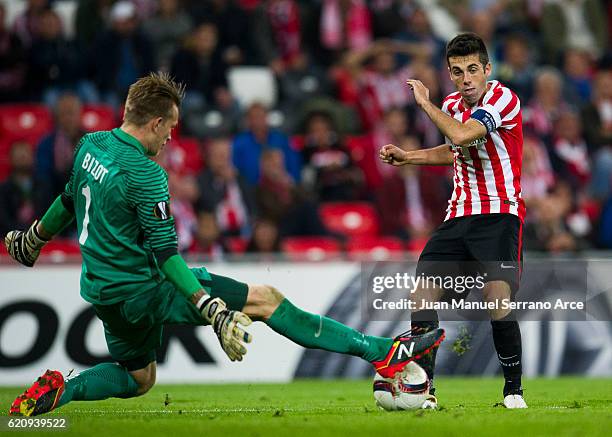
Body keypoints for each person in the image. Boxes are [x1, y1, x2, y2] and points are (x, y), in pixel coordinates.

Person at [4, 72, 444, 417]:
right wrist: (208, 305)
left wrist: (34, 239)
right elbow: (166, 256)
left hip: (102, 293)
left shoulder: (90, 146)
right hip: (146, 290)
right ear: (155, 122)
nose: (171, 138)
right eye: (170, 128)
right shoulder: (145, 174)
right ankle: (380, 352)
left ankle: (62, 388)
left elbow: (66, 201)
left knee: (138, 377)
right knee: (267, 301)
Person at [379, 33, 527, 409]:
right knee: (422, 296)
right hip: (458, 215)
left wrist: (425, 104)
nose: (466, 79)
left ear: (487, 69)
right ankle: (426, 392)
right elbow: (455, 149)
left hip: (498, 213)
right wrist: (409, 157)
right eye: (457, 72)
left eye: (473, 69)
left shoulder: (502, 99)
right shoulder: (450, 104)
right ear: (450, 74)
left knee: (497, 297)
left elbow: (463, 133)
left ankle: (513, 392)